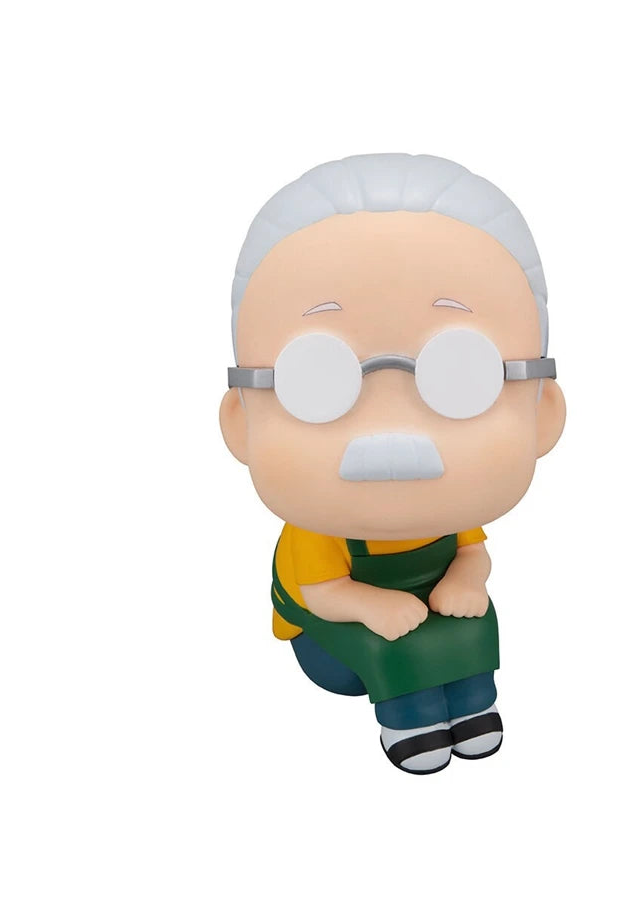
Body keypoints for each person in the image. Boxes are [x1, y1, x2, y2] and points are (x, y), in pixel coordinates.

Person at [219, 154, 566, 774]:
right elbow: (321, 593)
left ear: (545, 414)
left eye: (462, 376)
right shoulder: (319, 531)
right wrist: (371, 606)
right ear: (239, 423)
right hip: (331, 639)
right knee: (395, 642)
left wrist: (466, 581)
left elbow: (471, 554)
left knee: (473, 620)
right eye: (315, 381)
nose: (391, 435)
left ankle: (474, 705)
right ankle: (411, 721)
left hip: (428, 605)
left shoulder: (450, 518)